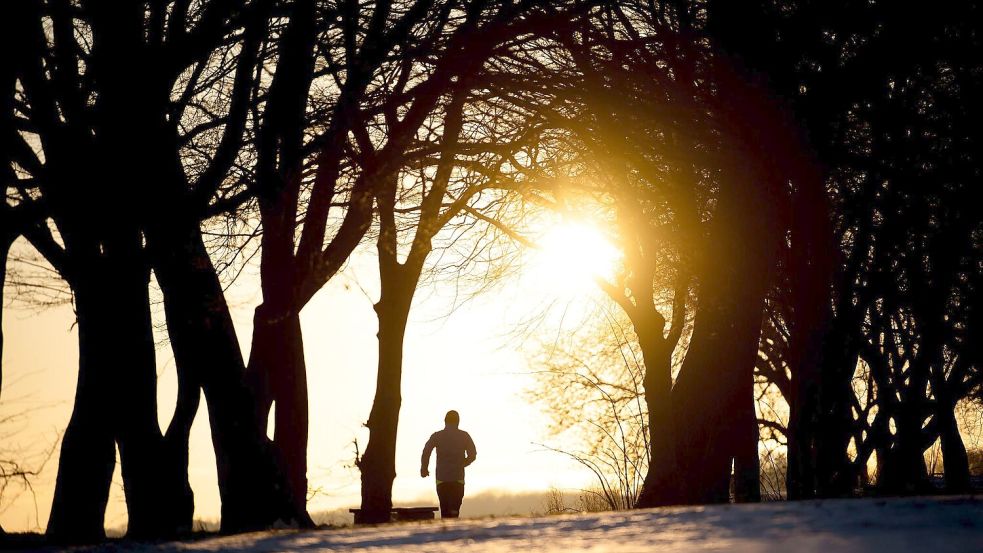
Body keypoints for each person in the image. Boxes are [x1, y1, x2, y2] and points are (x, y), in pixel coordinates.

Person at [420, 410, 476, 518]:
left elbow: (426, 451)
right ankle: (453, 530)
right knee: (455, 509)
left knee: (444, 508)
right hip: (458, 479)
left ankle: (445, 530)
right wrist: (463, 463)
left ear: (445, 421)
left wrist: (424, 468)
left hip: (442, 479)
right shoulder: (464, 436)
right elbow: (472, 454)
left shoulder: (437, 436)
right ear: (458, 421)